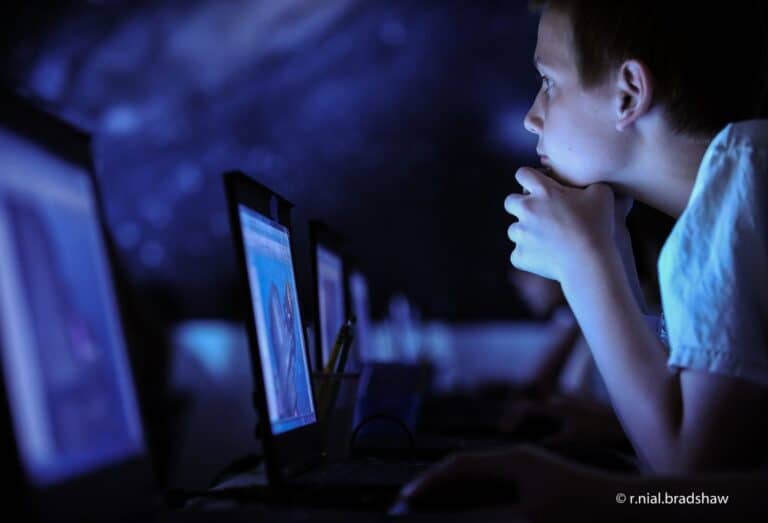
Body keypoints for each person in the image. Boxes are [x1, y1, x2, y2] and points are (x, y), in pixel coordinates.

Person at [400, 1, 768, 508]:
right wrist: (609, 249)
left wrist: (587, 262)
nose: (532, 118)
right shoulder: (731, 192)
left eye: (549, 82)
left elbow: (692, 485)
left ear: (628, 94)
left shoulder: (741, 178)